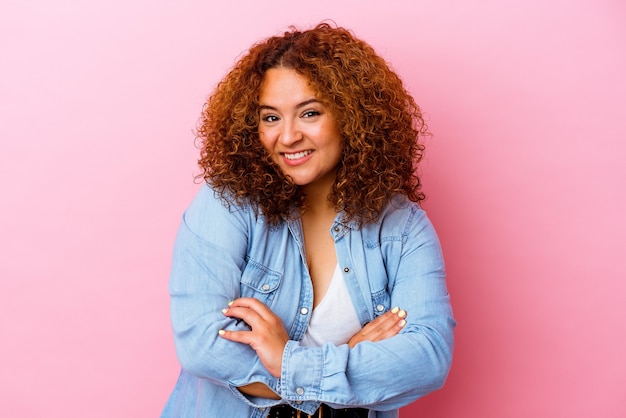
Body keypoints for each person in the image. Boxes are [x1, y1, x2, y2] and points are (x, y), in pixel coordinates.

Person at [161, 22, 455, 418]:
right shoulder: (227, 204)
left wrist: (287, 360)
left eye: (309, 113)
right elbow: (201, 345)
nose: (287, 137)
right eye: (270, 118)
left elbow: (427, 359)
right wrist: (345, 362)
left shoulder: (402, 228)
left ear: (353, 116)